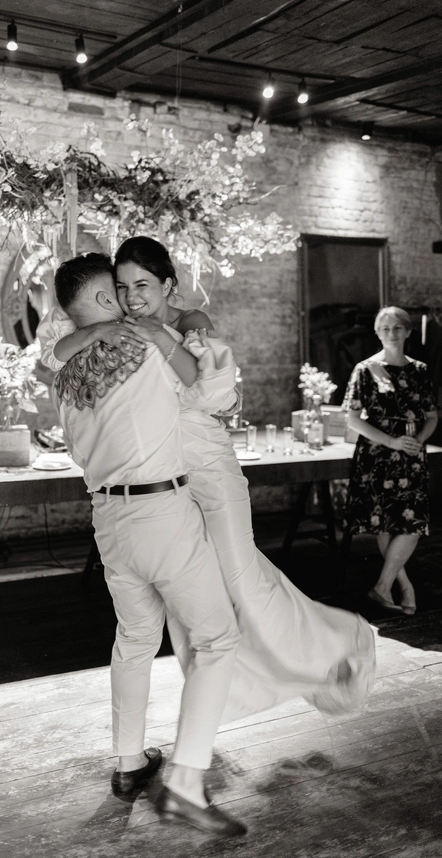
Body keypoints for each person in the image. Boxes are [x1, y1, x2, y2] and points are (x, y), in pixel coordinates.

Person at [42, 237, 376, 725]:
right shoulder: (119, 333)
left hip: (208, 469)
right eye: (122, 287)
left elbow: (220, 395)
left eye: (142, 285)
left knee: (243, 578)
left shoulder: (189, 323)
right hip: (167, 482)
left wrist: (173, 350)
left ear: (167, 285)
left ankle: (334, 649)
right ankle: (231, 696)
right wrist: (102, 331)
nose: (132, 296)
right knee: (193, 608)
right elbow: (53, 356)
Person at [49, 252, 246, 837]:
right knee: (217, 639)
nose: (130, 299)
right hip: (161, 511)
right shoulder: (145, 348)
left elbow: (63, 375)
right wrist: (171, 332)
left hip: (107, 518)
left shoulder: (66, 375)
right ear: (103, 301)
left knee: (135, 639)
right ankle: (185, 785)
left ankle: (129, 762)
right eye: (119, 290)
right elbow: (209, 389)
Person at [343, 306, 438, 615]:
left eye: (397, 327)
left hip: (411, 454)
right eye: (385, 328)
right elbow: (352, 420)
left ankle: (383, 586)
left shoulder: (420, 370)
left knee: (413, 523)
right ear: (377, 333)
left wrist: (418, 439)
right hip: (378, 455)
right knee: (385, 523)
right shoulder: (366, 369)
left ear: (408, 331)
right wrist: (392, 442)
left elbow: (432, 416)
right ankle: (402, 586)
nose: (391, 333)